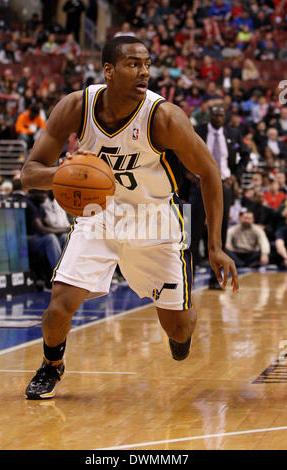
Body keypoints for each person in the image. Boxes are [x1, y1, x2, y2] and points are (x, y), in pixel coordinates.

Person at [20, 36, 238, 400]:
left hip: (155, 219)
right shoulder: (76, 106)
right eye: (134, 64)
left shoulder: (164, 117)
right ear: (108, 70)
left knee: (180, 331)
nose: (145, 73)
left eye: (148, 65)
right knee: (58, 307)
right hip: (98, 217)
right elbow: (29, 173)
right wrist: (69, 172)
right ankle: (51, 365)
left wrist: (215, 247)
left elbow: (210, 173)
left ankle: (180, 320)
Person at [191, 105, 249, 288]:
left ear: (225, 117)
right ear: (210, 116)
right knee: (193, 231)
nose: (218, 117)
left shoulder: (233, 134)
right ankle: (188, 278)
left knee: (219, 232)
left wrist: (235, 176)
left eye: (221, 114)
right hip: (199, 184)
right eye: (215, 114)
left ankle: (215, 279)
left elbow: (245, 154)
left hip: (223, 185)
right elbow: (181, 153)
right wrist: (190, 176)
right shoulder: (197, 131)